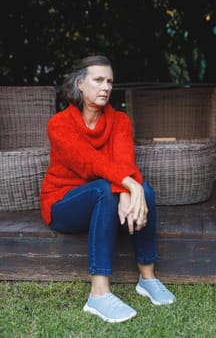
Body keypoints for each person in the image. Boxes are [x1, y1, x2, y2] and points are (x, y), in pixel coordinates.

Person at [40, 55, 176, 323]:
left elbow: (125, 162)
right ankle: (99, 294)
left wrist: (131, 189)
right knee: (108, 186)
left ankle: (147, 278)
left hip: (106, 199)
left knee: (145, 191)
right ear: (80, 84)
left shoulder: (120, 121)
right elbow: (89, 163)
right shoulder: (59, 124)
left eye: (110, 81)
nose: (106, 87)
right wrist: (127, 185)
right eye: (98, 80)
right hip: (64, 204)